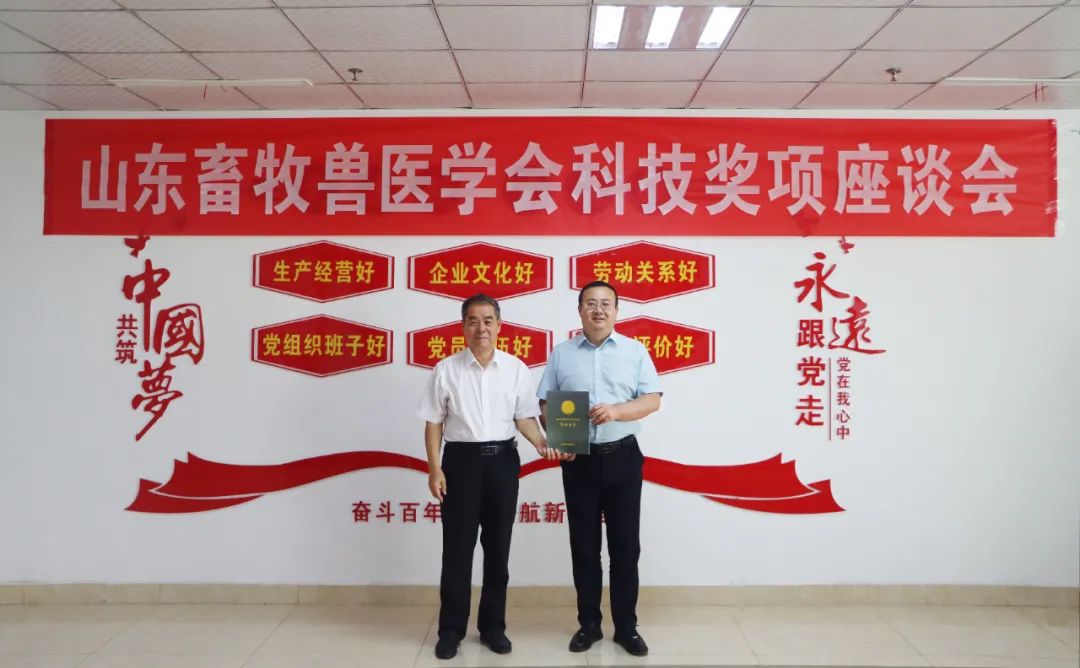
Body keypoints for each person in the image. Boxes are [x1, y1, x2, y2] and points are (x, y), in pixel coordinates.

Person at [418, 293, 554, 660]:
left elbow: (524, 417)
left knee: (498, 550)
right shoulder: (446, 369)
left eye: (488, 320)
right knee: (457, 551)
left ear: (499, 325)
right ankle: (451, 630)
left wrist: (542, 443)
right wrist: (434, 467)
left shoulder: (515, 369)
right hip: (460, 464)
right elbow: (433, 422)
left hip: (502, 463)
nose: (481, 327)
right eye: (473, 321)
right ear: (463, 326)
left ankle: (493, 627)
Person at [536, 280, 661, 657]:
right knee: (584, 547)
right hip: (579, 461)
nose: (598, 309)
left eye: (606, 303)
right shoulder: (561, 354)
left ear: (617, 310)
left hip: (623, 457)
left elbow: (652, 400)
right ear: (580, 311)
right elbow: (545, 403)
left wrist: (617, 411)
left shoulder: (635, 351)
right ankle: (588, 625)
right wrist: (557, 436)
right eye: (590, 303)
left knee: (625, 547)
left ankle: (626, 627)